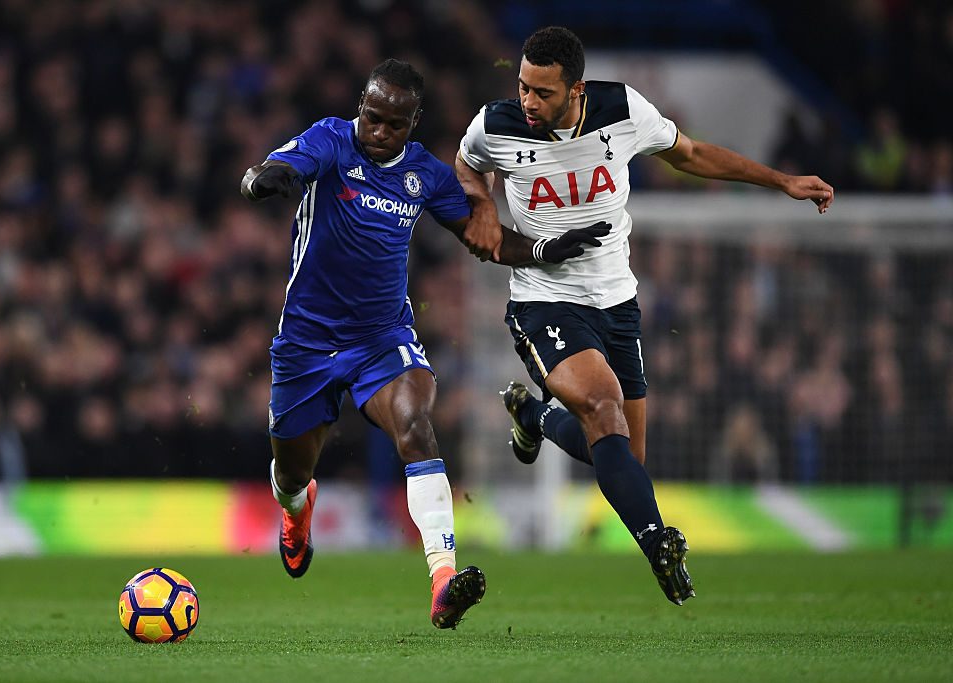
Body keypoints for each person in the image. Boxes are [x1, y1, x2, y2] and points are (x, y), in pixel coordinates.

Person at [455, 26, 835, 605]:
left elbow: (692, 154)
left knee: (623, 455)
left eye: (543, 92)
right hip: (543, 299)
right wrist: (482, 203)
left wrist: (781, 181)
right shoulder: (496, 124)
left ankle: (534, 416)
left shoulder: (623, 109)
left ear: (577, 89)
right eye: (523, 87)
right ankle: (658, 542)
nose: (528, 101)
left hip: (617, 303)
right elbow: (466, 163)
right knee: (602, 408)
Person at [240, 58, 607, 628]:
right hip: (306, 344)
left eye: (394, 124)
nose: (378, 131)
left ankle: (442, 581)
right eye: (372, 117)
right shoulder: (331, 140)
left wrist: (544, 249)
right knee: (291, 474)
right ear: (360, 108)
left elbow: (484, 239)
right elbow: (274, 167)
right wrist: (265, 179)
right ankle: (296, 509)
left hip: (382, 339)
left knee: (415, 426)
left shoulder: (427, 175)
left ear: (413, 123)